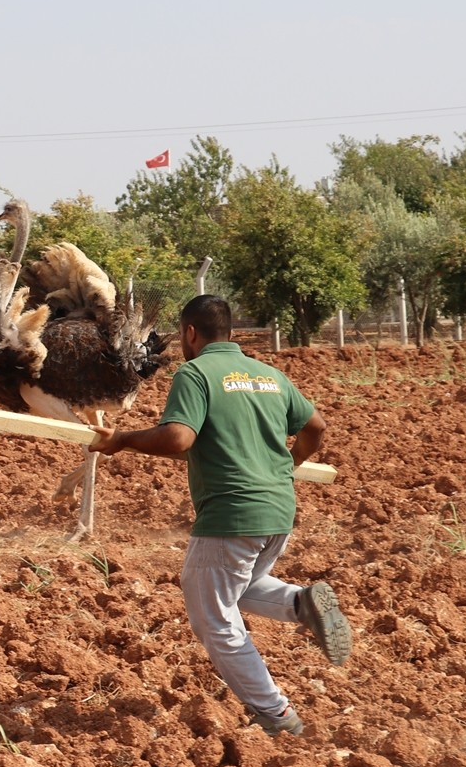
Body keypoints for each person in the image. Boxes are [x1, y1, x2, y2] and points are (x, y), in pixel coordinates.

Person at [88, 295, 351, 737]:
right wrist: (290, 465)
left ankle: (276, 715)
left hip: (232, 513)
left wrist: (123, 439)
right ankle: (301, 604)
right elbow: (316, 428)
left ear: (191, 333)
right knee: (240, 586)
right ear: (229, 331)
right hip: (278, 509)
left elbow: (178, 437)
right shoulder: (269, 375)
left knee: (213, 618)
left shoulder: (195, 373)